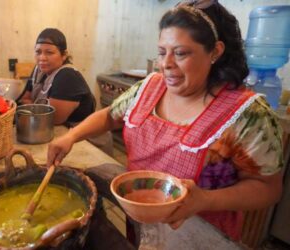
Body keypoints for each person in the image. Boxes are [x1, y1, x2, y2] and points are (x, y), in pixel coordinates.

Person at [47, 0, 283, 246]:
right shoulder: (150, 86)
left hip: (202, 237)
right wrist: (70, 137)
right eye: (162, 52)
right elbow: (109, 116)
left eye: (180, 53)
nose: (166, 64)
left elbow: (267, 188)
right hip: (141, 225)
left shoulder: (248, 114)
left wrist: (205, 199)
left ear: (215, 51)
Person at [18, 28, 95, 125]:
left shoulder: (67, 76)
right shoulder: (39, 69)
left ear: (64, 55)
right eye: (38, 52)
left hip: (84, 136)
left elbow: (52, 119)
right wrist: (34, 107)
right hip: (48, 128)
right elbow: (23, 100)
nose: (42, 58)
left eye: (49, 52)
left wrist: (31, 105)